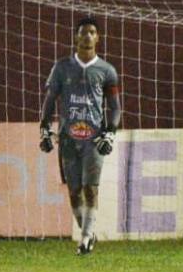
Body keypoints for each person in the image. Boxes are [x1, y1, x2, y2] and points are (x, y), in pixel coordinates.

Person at [39, 16, 121, 255]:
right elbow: (49, 101)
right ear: (76, 36)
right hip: (67, 138)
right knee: (74, 190)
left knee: (90, 188)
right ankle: (88, 231)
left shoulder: (106, 70)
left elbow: (115, 107)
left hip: (93, 139)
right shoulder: (62, 67)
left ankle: (85, 239)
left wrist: (110, 133)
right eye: (83, 32)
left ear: (98, 38)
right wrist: (44, 129)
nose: (87, 36)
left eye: (92, 32)